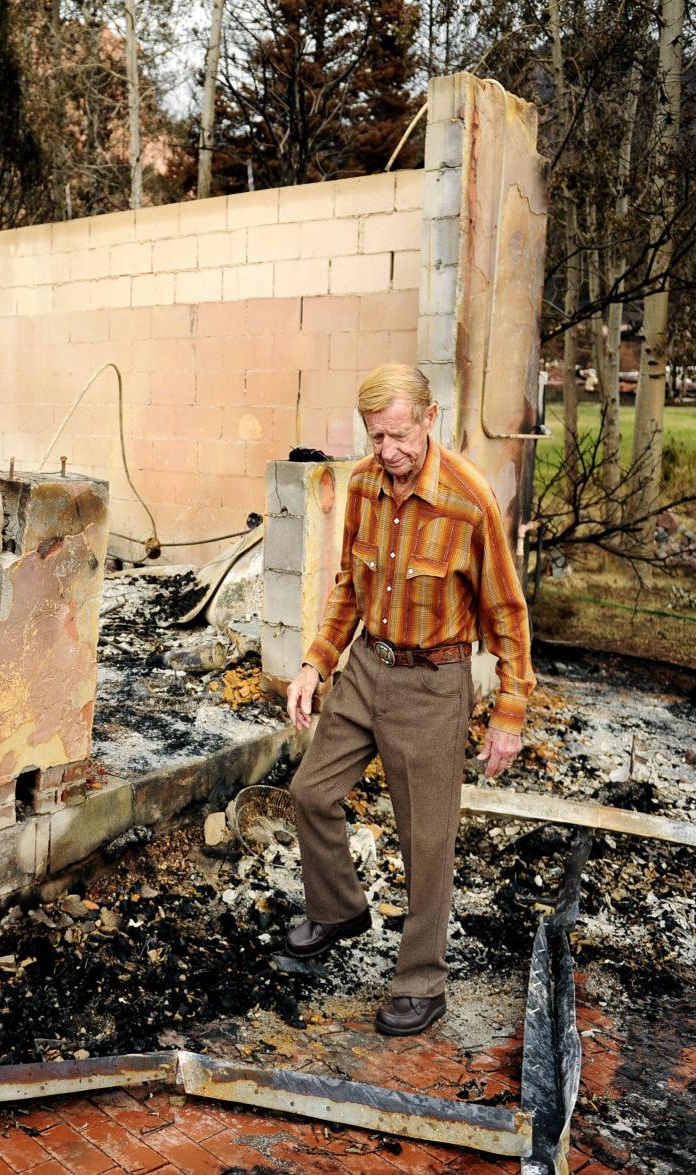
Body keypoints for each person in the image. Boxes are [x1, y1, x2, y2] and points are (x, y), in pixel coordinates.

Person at [282, 362, 536, 1037]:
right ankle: (337, 908)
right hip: (366, 666)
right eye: (375, 437)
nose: (388, 452)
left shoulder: (467, 497)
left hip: (432, 683)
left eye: (399, 435)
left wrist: (509, 712)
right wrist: (316, 661)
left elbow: (507, 613)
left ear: (429, 418)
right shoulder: (363, 482)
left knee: (426, 842)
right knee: (310, 791)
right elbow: (346, 586)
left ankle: (420, 980)